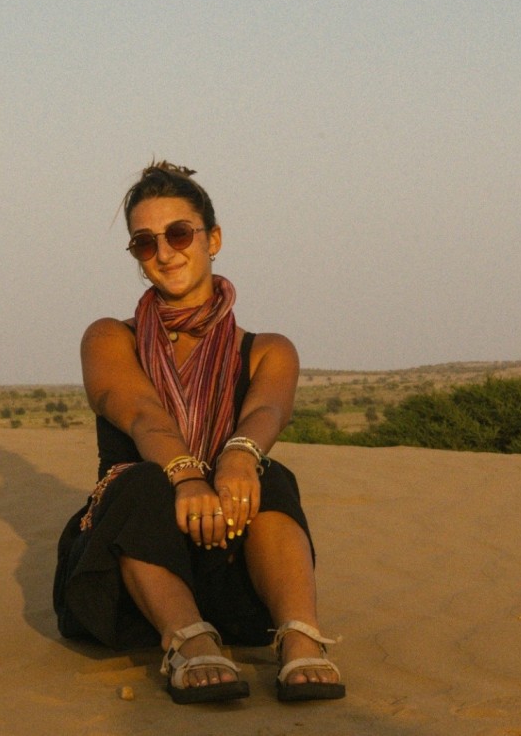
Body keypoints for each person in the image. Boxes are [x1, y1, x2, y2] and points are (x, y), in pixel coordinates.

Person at [53, 161, 345, 705]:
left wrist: (238, 457)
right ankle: (189, 642)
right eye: (145, 243)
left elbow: (267, 411)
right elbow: (141, 413)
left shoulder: (267, 348)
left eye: (179, 234)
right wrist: (187, 477)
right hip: (130, 574)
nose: (164, 252)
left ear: (212, 239)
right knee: (140, 483)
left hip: (229, 564)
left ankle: (301, 638)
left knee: (271, 474)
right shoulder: (110, 338)